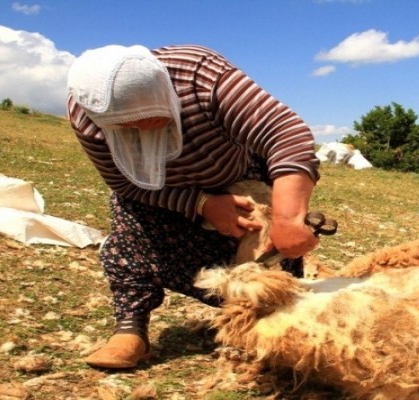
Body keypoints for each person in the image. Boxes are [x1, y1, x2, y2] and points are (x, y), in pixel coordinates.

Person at [66, 44, 321, 369]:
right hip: (158, 196)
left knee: (266, 268)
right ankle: (130, 328)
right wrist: (201, 204)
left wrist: (288, 219)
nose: (145, 130)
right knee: (132, 238)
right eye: (129, 126)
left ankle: (269, 330)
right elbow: (123, 183)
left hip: (237, 179)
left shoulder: (200, 76)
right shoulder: (86, 114)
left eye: (152, 118)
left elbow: (284, 132)